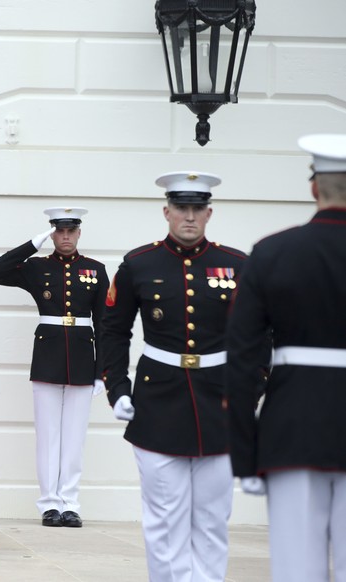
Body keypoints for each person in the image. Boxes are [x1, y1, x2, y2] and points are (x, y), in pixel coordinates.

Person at [100, 172, 246, 582]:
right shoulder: (138, 264)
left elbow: (261, 331)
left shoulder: (236, 265)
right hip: (157, 401)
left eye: (197, 208)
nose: (189, 216)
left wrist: (256, 384)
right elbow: (113, 329)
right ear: (166, 211)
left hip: (219, 401)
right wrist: (117, 388)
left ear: (209, 213)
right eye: (181, 207)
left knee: (213, 519)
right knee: (165, 517)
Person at [225, 134, 346, 582]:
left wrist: (245, 453)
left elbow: (241, 359)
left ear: (315, 188)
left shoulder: (273, 253)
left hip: (292, 430)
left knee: (298, 570)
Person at [0, 207, 108, 528]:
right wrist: (32, 244)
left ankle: (70, 503)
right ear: (52, 233)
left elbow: (106, 324)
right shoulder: (37, 267)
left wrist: (102, 370)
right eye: (59, 231)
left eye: (70, 231)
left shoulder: (95, 270)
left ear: (79, 233)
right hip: (48, 356)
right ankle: (49, 504)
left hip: (83, 357)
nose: (65, 236)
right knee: (48, 435)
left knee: (74, 437)